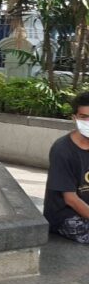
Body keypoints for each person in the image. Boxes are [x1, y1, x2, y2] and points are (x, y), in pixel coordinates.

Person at [44, 92, 89, 242]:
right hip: (66, 217)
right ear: (74, 118)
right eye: (84, 117)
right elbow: (70, 199)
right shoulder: (62, 150)